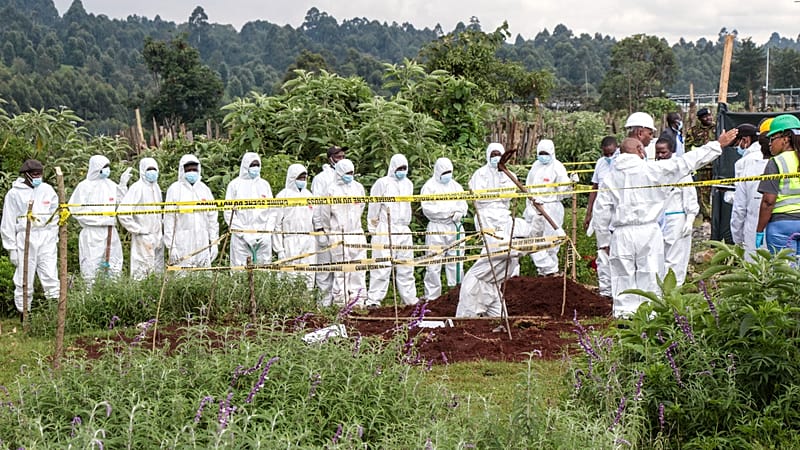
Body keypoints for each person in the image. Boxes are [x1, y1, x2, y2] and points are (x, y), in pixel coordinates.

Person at [593, 122, 738, 319]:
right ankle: (650, 316)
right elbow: (686, 162)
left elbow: (600, 211)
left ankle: (624, 317)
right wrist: (717, 145)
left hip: (622, 232)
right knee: (650, 272)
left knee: (622, 275)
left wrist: (604, 242)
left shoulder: (610, 177)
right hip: (648, 230)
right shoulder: (651, 171)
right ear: (638, 150)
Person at [1, 160, 59, 316]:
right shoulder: (14, 194)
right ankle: (24, 312)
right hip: (25, 237)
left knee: (50, 273)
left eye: (40, 174)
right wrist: (11, 248)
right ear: (26, 175)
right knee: (24, 276)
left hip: (46, 237)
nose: (38, 177)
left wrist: (54, 236)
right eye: (35, 175)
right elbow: (8, 221)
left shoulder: (47, 190)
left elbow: (55, 215)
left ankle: (55, 312)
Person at [68, 155, 132, 285]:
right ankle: (90, 296)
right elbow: (75, 210)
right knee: (91, 265)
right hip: (92, 233)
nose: (107, 169)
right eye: (104, 167)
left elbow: (122, 201)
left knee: (114, 263)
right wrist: (97, 219)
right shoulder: (84, 187)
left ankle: (112, 293)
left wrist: (123, 185)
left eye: (108, 167)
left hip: (109, 231)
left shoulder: (110, 185)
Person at [366, 154, 418, 307]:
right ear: (393, 168)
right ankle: (374, 300)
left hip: (403, 229)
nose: (402, 171)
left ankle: (409, 299)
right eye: (399, 168)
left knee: (406, 266)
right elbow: (373, 207)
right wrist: (374, 229)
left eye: (404, 168)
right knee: (381, 267)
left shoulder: (408, 184)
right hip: (385, 228)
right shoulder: (382, 183)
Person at [315, 159, 367, 307]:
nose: (350, 175)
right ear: (339, 173)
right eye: (347, 173)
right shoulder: (331, 190)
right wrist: (328, 231)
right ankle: (340, 302)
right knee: (341, 269)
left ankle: (358, 300)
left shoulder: (358, 188)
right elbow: (325, 213)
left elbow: (361, 206)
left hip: (356, 232)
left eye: (352, 173)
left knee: (358, 267)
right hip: (338, 233)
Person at [456, 218, 532, 317]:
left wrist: (540, 217)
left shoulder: (513, 249)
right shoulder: (499, 246)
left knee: (501, 320)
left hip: (493, 287)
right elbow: (518, 250)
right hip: (476, 287)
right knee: (465, 323)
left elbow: (534, 242)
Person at [420, 157, 468, 301]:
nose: (447, 175)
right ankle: (432, 297)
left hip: (455, 227)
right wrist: (449, 212)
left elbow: (463, 204)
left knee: (456, 262)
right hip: (436, 228)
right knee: (434, 263)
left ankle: (455, 295)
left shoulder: (456, 186)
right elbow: (428, 209)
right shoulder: (429, 187)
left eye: (449, 172)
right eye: (444, 172)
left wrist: (460, 213)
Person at [524, 139, 572, 276]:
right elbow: (528, 186)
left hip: (552, 208)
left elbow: (564, 190)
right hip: (535, 208)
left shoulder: (557, 167)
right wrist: (532, 204)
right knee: (535, 241)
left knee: (552, 244)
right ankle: (549, 269)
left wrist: (570, 184)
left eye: (546, 153)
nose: (543, 156)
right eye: (541, 153)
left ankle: (549, 274)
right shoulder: (535, 166)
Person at [655, 138, 698, 286]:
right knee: (660, 255)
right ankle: (661, 287)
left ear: (672, 152)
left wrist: (690, 219)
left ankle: (675, 287)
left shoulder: (681, 171)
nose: (660, 156)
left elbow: (690, 196)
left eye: (663, 152)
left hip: (677, 217)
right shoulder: (654, 170)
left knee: (676, 255)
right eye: (658, 152)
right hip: (658, 219)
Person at [163, 154, 219, 268]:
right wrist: (171, 246)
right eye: (188, 170)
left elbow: (212, 218)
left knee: (203, 276)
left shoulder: (204, 190)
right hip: (182, 243)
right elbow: (169, 219)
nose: (192, 172)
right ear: (182, 170)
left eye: (194, 169)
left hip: (202, 242)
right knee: (183, 277)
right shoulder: (174, 190)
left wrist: (214, 243)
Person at [756, 114, 800, 257]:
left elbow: (768, 201)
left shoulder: (776, 162)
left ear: (786, 139)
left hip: (782, 226)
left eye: (772, 139)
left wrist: (759, 230)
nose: (769, 144)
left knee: (785, 274)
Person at [117, 157, 164, 280]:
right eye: (149, 169)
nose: (152, 172)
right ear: (143, 170)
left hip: (157, 236)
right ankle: (141, 298)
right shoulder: (137, 187)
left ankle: (156, 297)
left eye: (154, 169)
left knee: (158, 270)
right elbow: (123, 212)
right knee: (142, 271)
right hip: (143, 237)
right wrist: (137, 229)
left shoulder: (156, 188)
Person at [224, 152, 274, 266]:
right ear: (245, 166)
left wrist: (267, 232)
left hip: (263, 238)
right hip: (241, 240)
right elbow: (228, 213)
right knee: (240, 274)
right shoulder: (234, 185)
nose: (255, 168)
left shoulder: (264, 185)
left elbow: (272, 211)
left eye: (257, 165)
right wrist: (243, 234)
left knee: (264, 273)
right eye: (252, 165)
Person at [584, 136, 618, 298]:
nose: (609, 158)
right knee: (603, 251)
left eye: (611, 154)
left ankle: (620, 289)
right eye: (606, 155)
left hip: (619, 213)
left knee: (618, 252)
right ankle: (606, 291)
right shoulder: (600, 164)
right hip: (602, 213)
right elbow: (595, 188)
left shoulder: (622, 163)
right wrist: (588, 213)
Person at [731, 126, 772, 260]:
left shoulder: (746, 165)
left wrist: (737, 239)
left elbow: (739, 209)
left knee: (754, 274)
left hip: (752, 230)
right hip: (779, 230)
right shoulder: (789, 165)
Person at [312, 146, 347, 300]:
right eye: (338, 157)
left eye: (343, 157)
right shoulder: (321, 178)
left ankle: (340, 303)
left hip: (342, 229)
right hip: (326, 229)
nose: (341, 160)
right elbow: (316, 204)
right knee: (325, 269)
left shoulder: (347, 177)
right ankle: (324, 305)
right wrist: (319, 228)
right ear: (330, 158)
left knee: (341, 269)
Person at [273, 164, 315, 290]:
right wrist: (279, 249)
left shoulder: (309, 195)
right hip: (290, 240)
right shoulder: (283, 196)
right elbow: (276, 225)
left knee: (308, 274)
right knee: (289, 275)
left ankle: (306, 303)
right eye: (299, 178)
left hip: (308, 239)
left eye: (304, 178)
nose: (302, 180)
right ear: (292, 178)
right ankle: (289, 305)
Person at [686, 107, 716, 221]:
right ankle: (708, 217)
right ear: (700, 119)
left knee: (718, 191)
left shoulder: (717, 128)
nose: (708, 118)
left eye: (709, 115)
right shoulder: (693, 131)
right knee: (703, 194)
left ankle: (717, 215)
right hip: (702, 167)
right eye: (705, 117)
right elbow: (687, 148)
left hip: (717, 166)